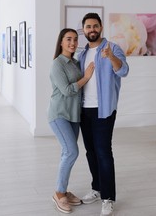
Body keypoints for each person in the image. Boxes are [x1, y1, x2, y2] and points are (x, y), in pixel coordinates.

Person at [78, 13, 129, 216]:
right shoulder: (82, 54)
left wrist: (111, 57)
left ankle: (108, 198)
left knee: (103, 152)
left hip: (104, 110)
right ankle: (97, 189)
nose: (92, 29)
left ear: (101, 28)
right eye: (88, 26)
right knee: (90, 152)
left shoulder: (112, 48)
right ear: (84, 30)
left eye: (95, 26)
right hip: (84, 110)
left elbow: (123, 71)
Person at [48, 28, 95, 214]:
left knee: (66, 153)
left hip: (74, 116)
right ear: (61, 42)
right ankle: (59, 194)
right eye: (68, 39)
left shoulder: (75, 62)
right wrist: (86, 77)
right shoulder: (57, 64)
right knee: (71, 152)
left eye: (75, 39)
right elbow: (67, 90)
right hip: (59, 114)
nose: (73, 43)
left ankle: (63, 190)